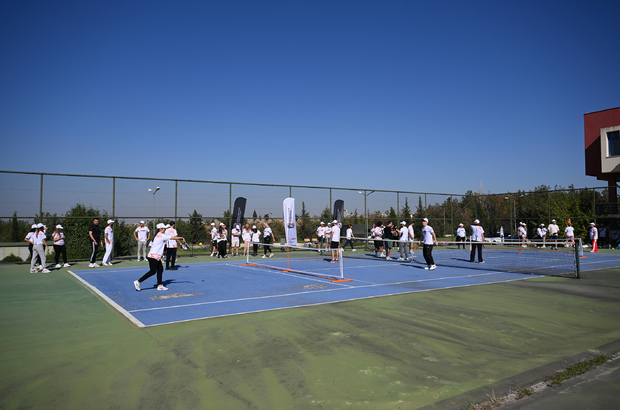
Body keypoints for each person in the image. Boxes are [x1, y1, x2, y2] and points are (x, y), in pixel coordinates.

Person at [133, 223, 185, 292]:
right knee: (152, 271)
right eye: (164, 228)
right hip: (153, 256)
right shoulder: (161, 236)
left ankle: (160, 285)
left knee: (160, 269)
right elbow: (173, 238)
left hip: (156, 256)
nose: (165, 229)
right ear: (160, 229)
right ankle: (138, 281)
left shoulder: (157, 235)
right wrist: (181, 238)